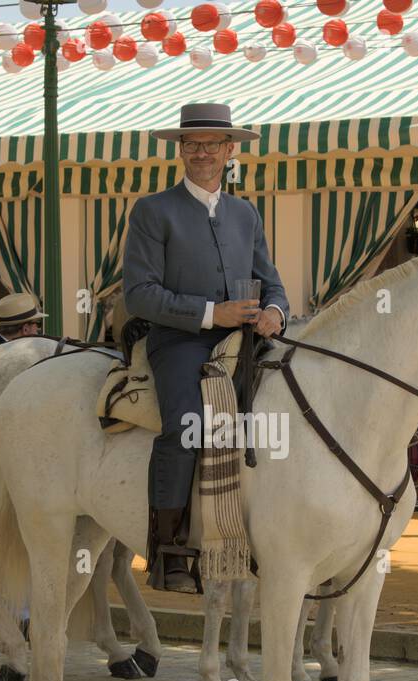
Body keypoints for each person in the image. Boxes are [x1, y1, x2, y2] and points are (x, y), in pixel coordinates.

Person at [122, 102, 290, 593]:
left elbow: (272, 283)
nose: (202, 153)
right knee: (184, 426)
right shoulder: (154, 211)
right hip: (179, 342)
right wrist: (211, 314)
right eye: (192, 144)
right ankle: (169, 551)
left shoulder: (245, 213)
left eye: (212, 144)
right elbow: (139, 294)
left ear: (230, 150)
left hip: (247, 341)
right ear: (180, 150)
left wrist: (275, 313)